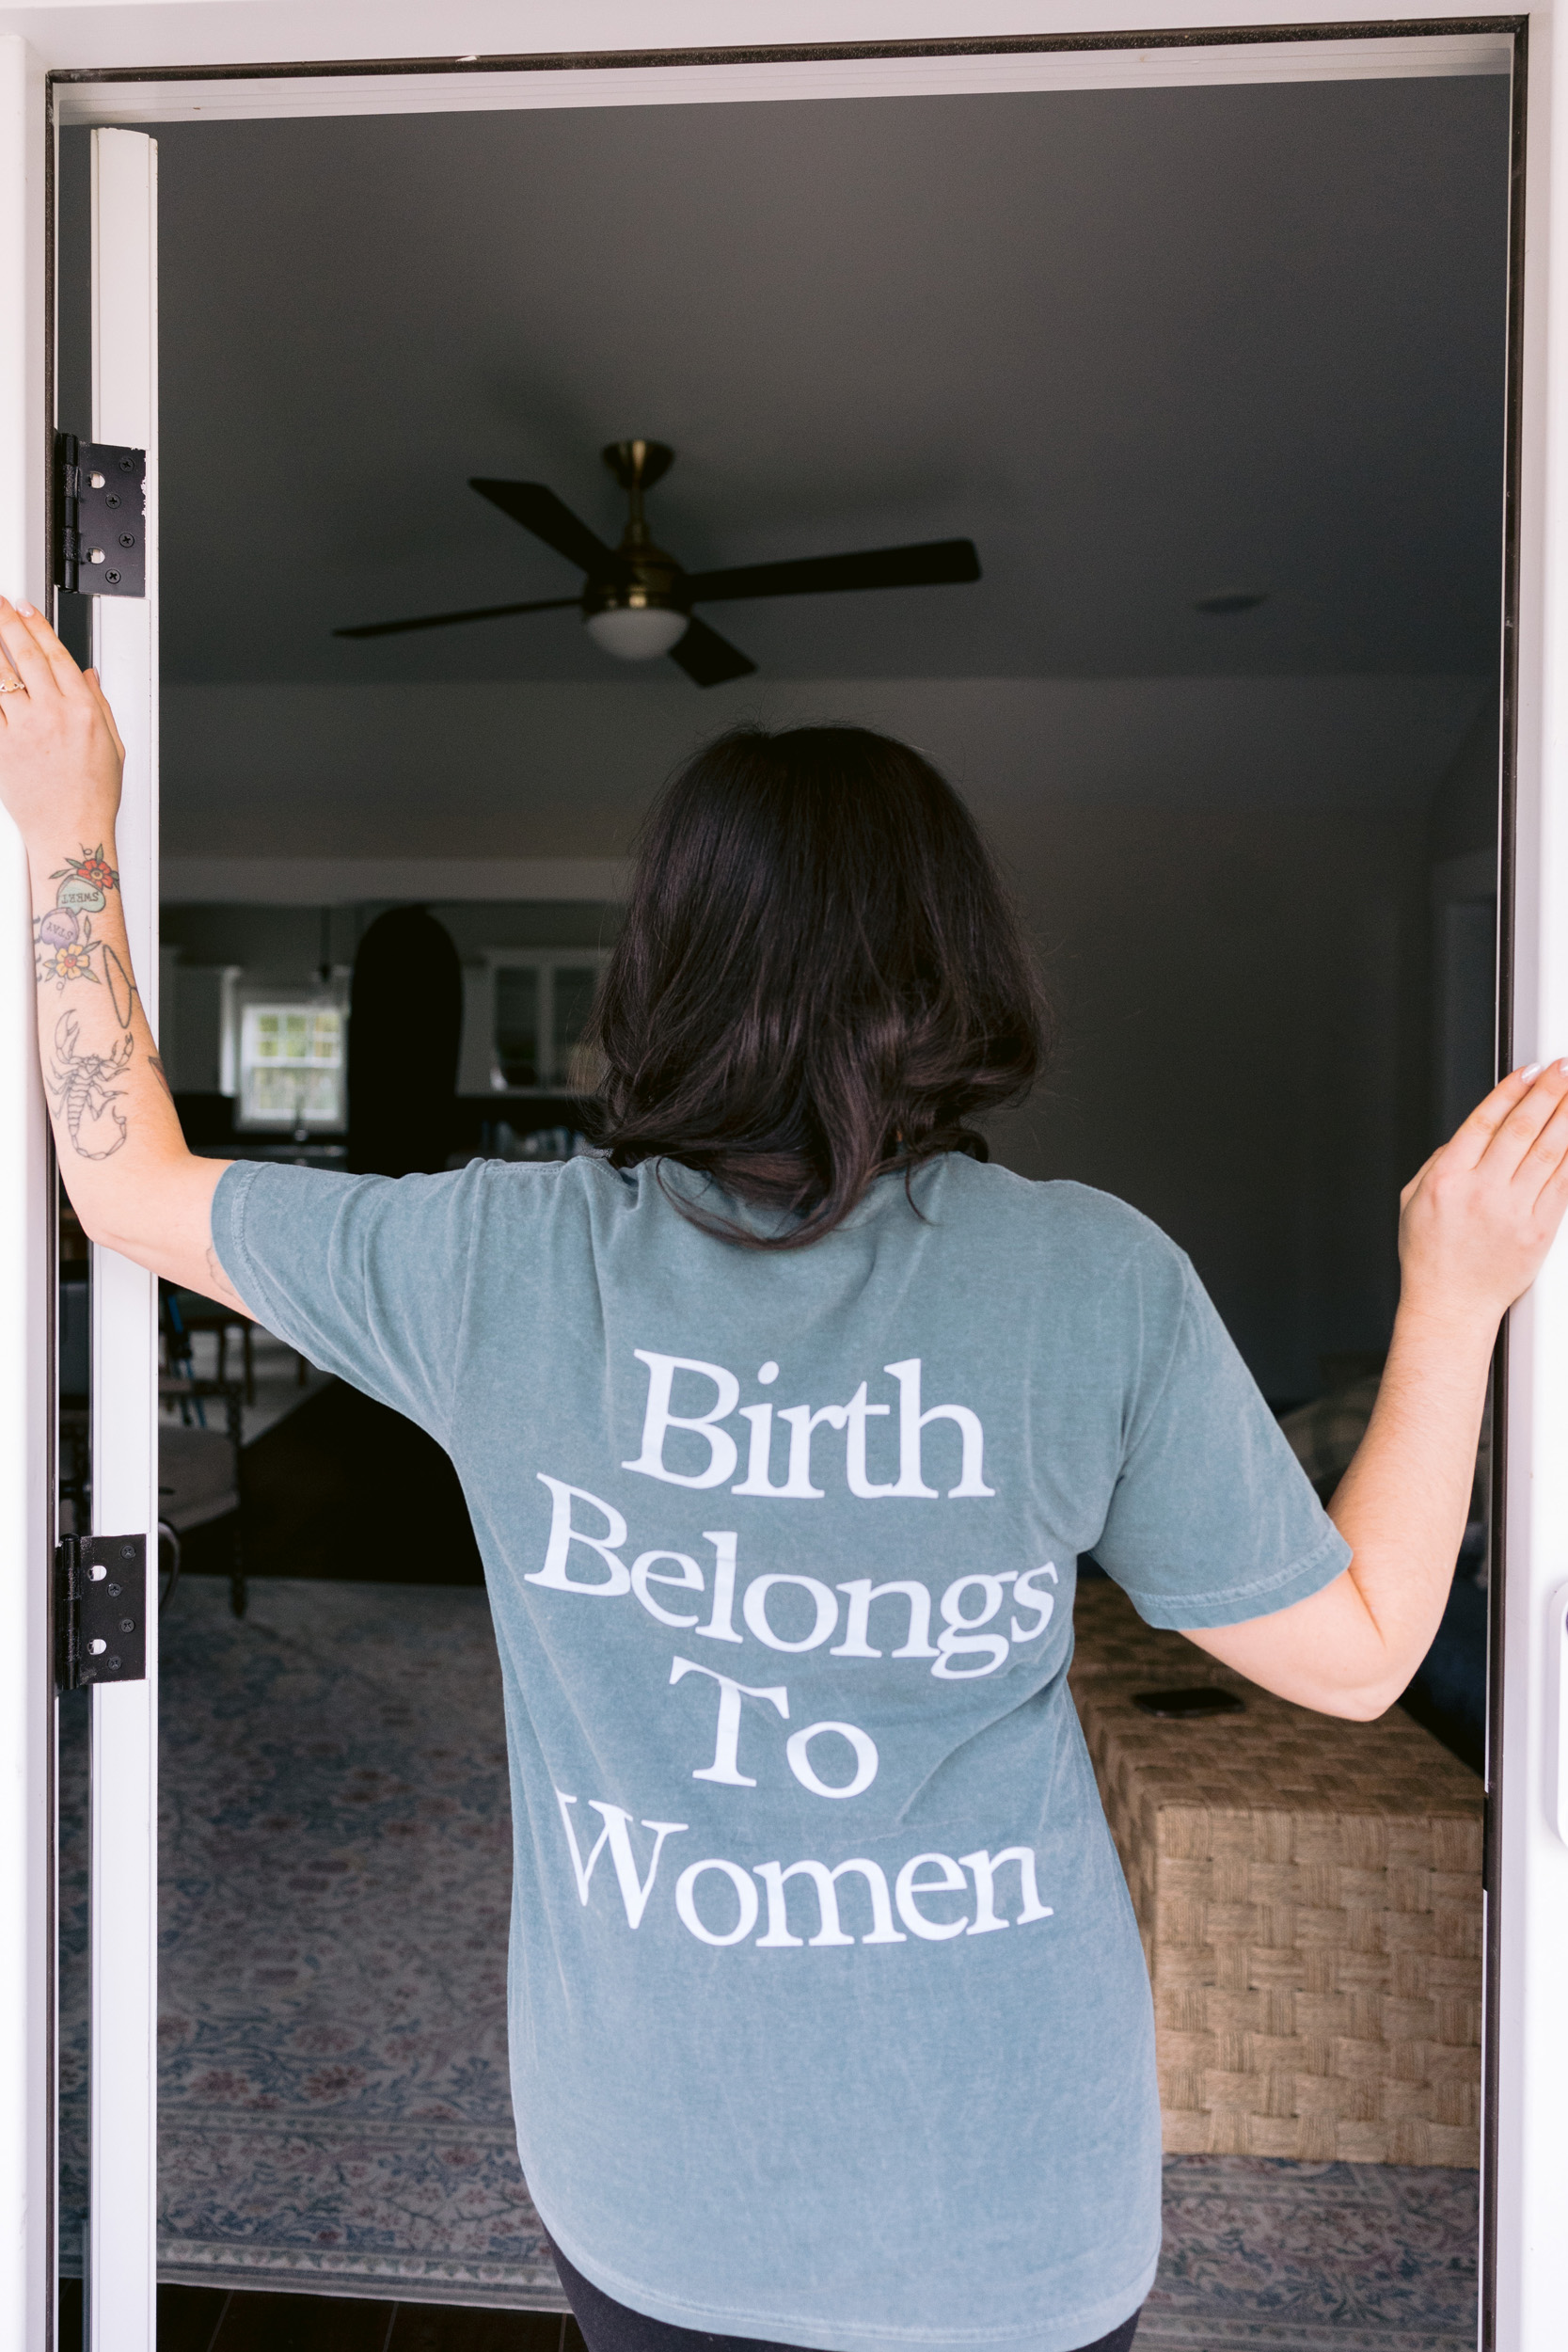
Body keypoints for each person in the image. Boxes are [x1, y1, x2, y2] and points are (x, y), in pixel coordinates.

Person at [3, 594, 1562, 2352]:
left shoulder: (502, 1266)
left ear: (661, 970)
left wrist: (69, 835)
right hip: (1016, 2205)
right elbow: (1359, 1662)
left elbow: (121, 1178)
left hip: (657, 2191)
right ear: (955, 961)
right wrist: (1458, 1297)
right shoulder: (1092, 1278)